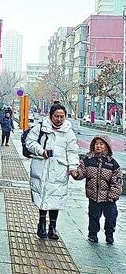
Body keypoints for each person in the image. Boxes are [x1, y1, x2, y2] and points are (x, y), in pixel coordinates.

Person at [25, 103, 80, 240]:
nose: (59, 119)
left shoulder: (68, 132)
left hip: (59, 171)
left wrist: (73, 167)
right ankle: (42, 224)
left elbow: (72, 151)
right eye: (56, 116)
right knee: (43, 197)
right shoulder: (40, 128)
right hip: (42, 168)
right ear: (50, 116)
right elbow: (29, 142)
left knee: (56, 198)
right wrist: (41, 151)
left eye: (62, 117)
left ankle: (53, 227)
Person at [70, 135, 123, 244]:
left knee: (111, 218)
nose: (98, 146)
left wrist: (113, 195)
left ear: (107, 146)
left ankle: (109, 235)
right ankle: (92, 235)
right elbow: (81, 172)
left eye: (101, 144)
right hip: (93, 195)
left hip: (109, 198)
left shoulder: (112, 163)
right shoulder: (88, 160)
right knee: (93, 217)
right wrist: (76, 174)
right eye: (96, 144)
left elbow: (117, 181)